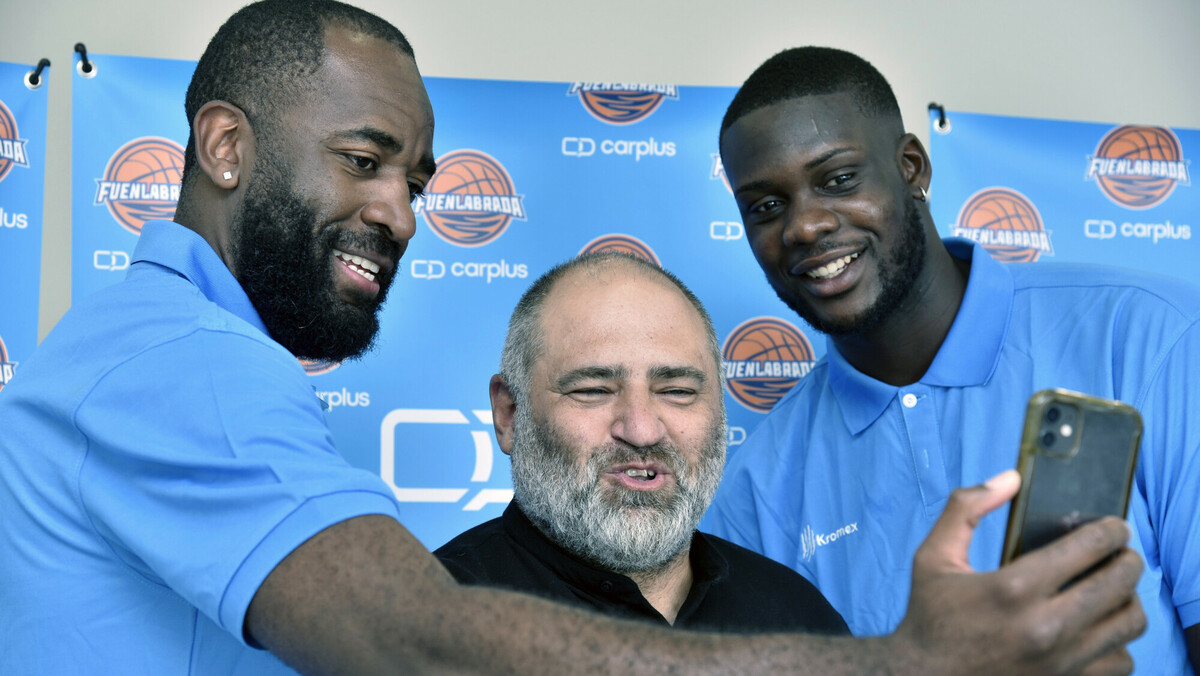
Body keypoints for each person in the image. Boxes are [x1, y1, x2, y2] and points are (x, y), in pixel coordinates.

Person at [0, 1, 1145, 671]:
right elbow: (420, 642)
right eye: (363, 161)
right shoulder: (179, 362)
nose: (402, 212)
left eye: (417, 176)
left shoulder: (171, 347)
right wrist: (907, 665)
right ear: (224, 147)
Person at [701, 46, 1200, 675]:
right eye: (766, 207)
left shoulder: (1151, 338)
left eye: (838, 178)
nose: (804, 227)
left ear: (911, 168)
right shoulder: (752, 492)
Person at [435, 253, 848, 634]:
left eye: (677, 391)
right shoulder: (425, 628)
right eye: (593, 389)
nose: (641, 430)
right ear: (509, 414)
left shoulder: (799, 620)